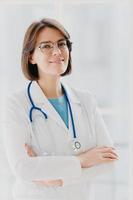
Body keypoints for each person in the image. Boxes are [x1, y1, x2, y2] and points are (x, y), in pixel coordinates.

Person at [3, 18, 118, 200]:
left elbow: (110, 161)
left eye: (61, 44)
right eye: (46, 46)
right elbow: (23, 168)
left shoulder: (86, 101)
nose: (57, 51)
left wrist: (60, 179)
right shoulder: (16, 104)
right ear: (31, 56)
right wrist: (82, 161)